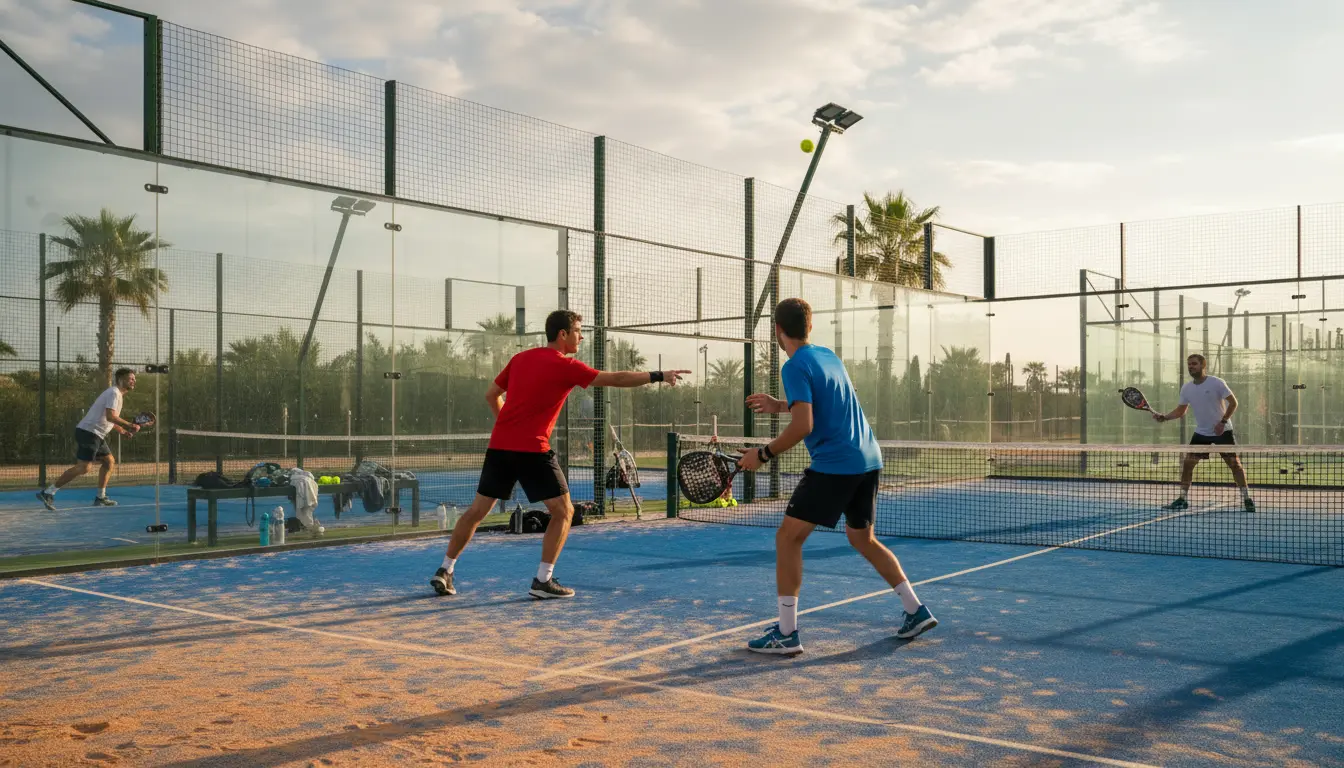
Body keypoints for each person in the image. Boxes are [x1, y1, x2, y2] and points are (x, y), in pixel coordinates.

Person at [430, 309, 689, 599]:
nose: (581, 336)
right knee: (564, 512)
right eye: (578, 330)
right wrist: (659, 375)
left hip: (500, 447)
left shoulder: (520, 359)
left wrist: (507, 424)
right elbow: (616, 378)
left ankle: (445, 570)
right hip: (533, 450)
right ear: (563, 334)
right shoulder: (566, 365)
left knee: (477, 512)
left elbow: (491, 394)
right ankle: (543, 580)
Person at [738, 298, 936, 654]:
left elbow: (804, 425)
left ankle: (786, 633)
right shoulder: (827, 355)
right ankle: (915, 609)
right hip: (868, 459)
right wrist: (780, 404)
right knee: (863, 540)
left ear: (778, 331)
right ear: (809, 327)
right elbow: (829, 401)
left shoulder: (794, 366)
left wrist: (763, 454)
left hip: (835, 463)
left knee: (788, 539)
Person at [1152, 353, 1255, 512]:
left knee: (1235, 465)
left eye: (1194, 364)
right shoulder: (1187, 388)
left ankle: (1247, 498)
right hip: (1201, 433)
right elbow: (1181, 410)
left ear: (1203, 365)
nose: (1191, 367)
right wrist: (1164, 417)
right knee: (1187, 465)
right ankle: (1182, 499)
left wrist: (1222, 422)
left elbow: (1234, 403)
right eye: (1189, 364)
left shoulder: (1217, 383)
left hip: (1222, 431)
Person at [37, 367, 140, 510]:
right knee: (84, 468)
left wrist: (122, 430)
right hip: (89, 432)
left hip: (96, 434)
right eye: (131, 378)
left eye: (134, 378)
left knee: (109, 461)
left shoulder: (116, 394)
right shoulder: (114, 393)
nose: (134, 381)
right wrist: (130, 425)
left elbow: (107, 418)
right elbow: (111, 416)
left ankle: (100, 497)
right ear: (121, 380)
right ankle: (48, 492)